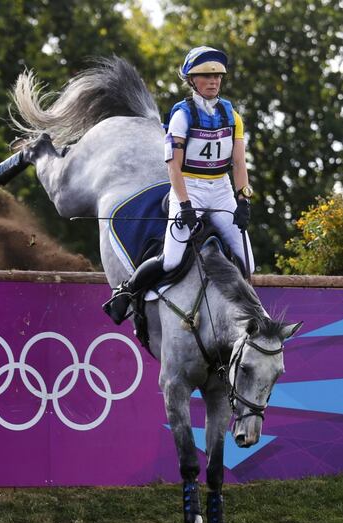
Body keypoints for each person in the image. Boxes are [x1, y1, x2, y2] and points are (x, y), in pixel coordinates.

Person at [103, 46, 255, 325]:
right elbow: (173, 166)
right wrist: (184, 203)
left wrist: (243, 199)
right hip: (190, 187)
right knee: (171, 259)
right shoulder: (182, 116)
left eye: (218, 77)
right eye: (206, 77)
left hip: (221, 190)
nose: (213, 82)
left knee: (248, 262)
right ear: (192, 81)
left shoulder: (233, 116)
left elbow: (239, 163)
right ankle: (125, 294)